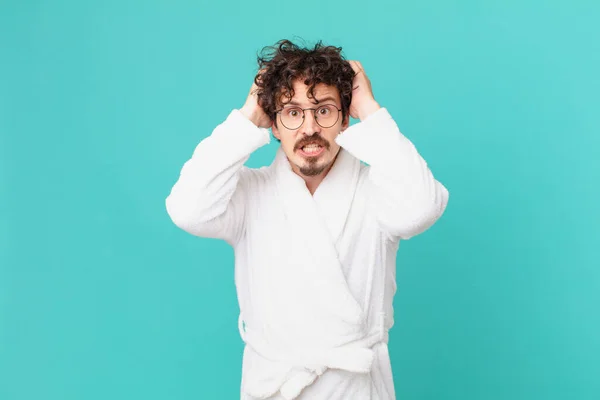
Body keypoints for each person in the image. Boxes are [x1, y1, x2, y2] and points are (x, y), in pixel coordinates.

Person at [165, 39, 449, 400]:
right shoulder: (250, 193)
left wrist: (370, 109)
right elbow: (186, 208)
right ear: (274, 125)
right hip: (275, 388)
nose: (309, 128)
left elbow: (421, 208)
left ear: (345, 119)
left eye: (324, 110)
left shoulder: (377, 190)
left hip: (355, 390)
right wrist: (249, 113)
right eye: (293, 112)